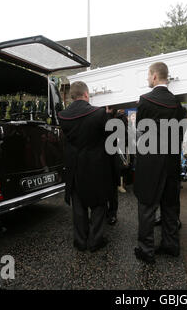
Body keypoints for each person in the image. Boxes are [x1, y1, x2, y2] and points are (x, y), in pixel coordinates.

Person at [134, 62, 186, 264]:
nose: (147, 79)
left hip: (151, 161)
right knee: (171, 206)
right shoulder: (177, 103)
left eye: (148, 75)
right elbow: (181, 131)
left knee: (147, 206)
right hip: (171, 161)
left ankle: (146, 250)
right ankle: (171, 245)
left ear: (155, 76)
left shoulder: (145, 101)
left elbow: (140, 131)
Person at [58, 81, 112, 252]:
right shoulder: (99, 113)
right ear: (87, 95)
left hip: (74, 168)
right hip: (96, 167)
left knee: (79, 206)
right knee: (99, 205)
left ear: (72, 96)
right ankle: (96, 240)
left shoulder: (63, 116)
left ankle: (80, 241)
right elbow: (109, 140)